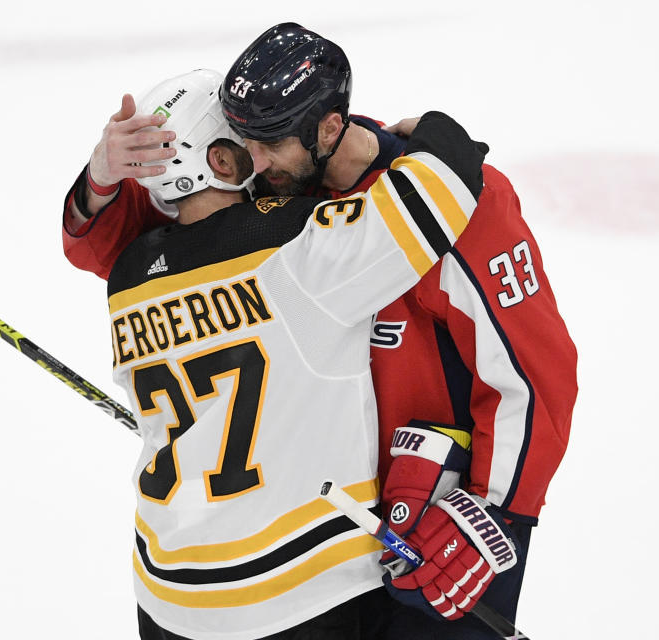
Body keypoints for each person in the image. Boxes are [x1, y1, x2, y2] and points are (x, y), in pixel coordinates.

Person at [62, 23, 577, 638]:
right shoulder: (266, 189)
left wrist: (495, 507)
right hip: (326, 542)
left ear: (327, 128)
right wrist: (102, 183)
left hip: (441, 520)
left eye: (270, 142)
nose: (253, 162)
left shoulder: (466, 204)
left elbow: (534, 371)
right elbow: (160, 257)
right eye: (242, 140)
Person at [104, 69, 487, 639]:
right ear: (223, 163)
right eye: (246, 142)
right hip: (291, 594)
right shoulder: (295, 246)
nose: (263, 155)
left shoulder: (127, 276)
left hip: (165, 593)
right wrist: (425, 131)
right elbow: (439, 196)